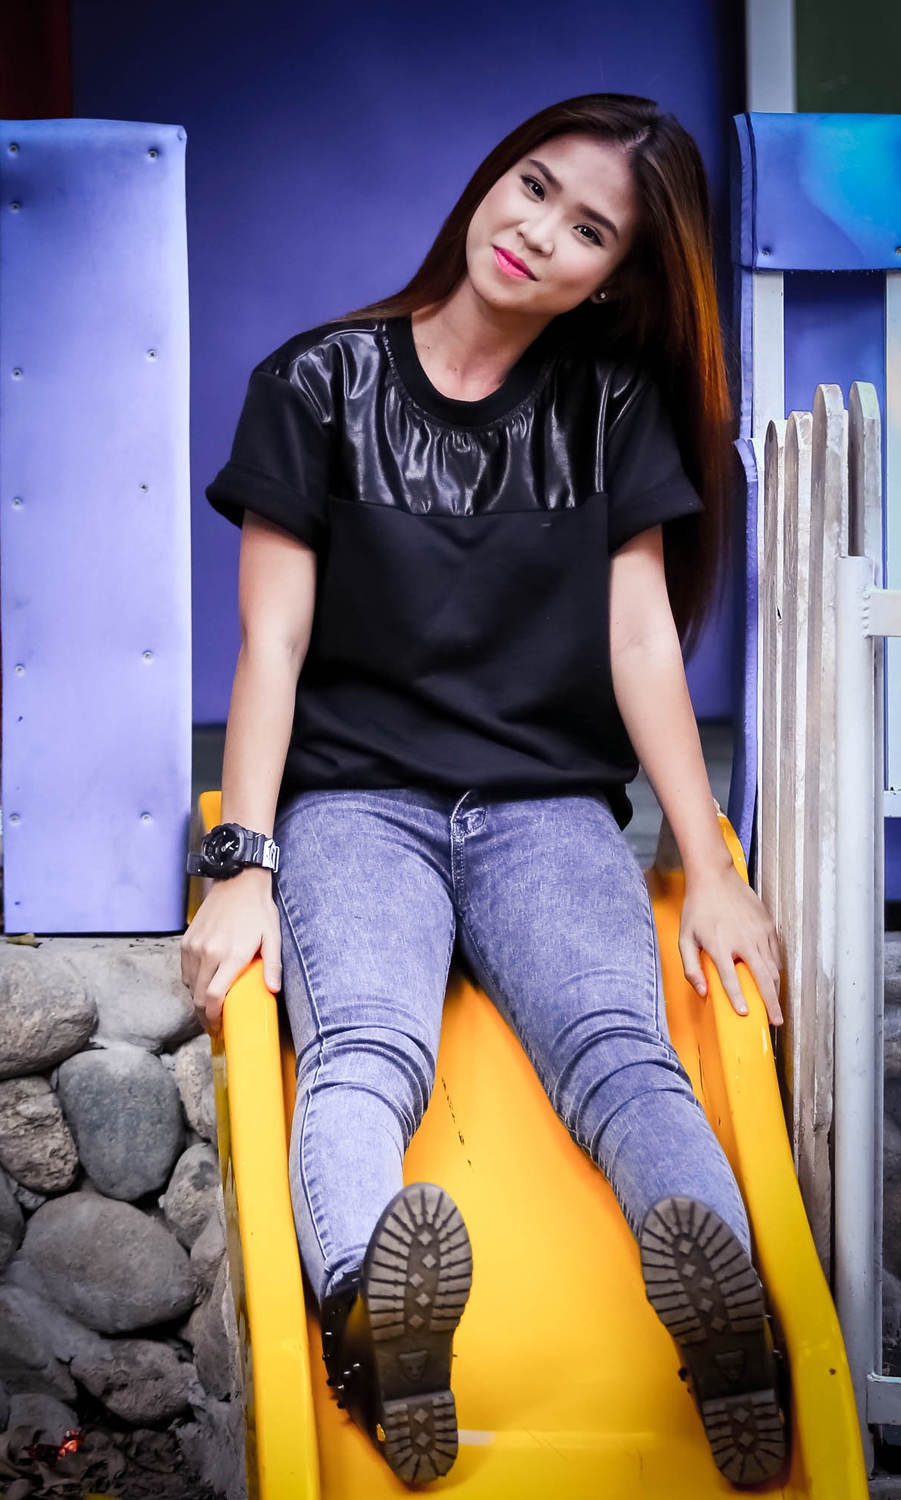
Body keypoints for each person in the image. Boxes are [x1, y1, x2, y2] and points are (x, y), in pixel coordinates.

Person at [180, 93, 787, 1488]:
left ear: (614, 279)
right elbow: (272, 643)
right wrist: (245, 864)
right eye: (533, 185)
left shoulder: (609, 406)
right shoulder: (317, 382)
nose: (538, 232)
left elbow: (641, 644)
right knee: (364, 1052)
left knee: (621, 1053)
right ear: (490, 179)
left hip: (544, 810)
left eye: (590, 230)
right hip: (356, 805)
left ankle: (734, 1330)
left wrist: (711, 866)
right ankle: (374, 1325)